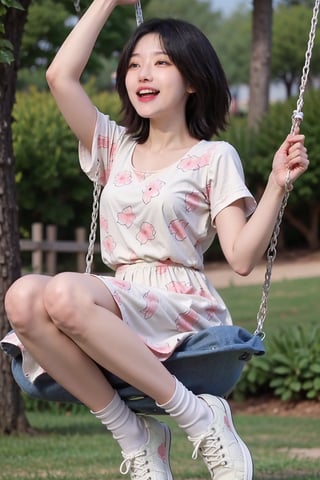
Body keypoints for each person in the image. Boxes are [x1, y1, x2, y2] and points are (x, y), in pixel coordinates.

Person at [3, 1, 309, 479]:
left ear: (192, 80)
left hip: (178, 301)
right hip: (119, 294)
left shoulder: (213, 157)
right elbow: (60, 76)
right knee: (21, 297)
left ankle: (197, 418)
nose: (143, 73)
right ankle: (136, 436)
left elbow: (243, 257)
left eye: (161, 62)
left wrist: (275, 184)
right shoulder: (114, 146)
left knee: (62, 291)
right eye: (134, 64)